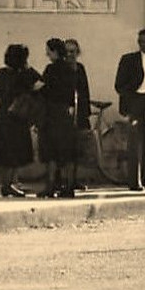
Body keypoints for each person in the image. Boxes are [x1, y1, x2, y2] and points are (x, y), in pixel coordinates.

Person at [0, 44, 40, 198]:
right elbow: (40, 83)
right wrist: (28, 67)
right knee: (16, 151)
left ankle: (4, 184)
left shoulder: (2, 73)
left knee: (3, 152)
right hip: (18, 116)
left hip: (3, 114)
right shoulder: (24, 75)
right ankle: (11, 184)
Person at [113, 29, 145, 191]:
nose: (144, 44)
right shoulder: (128, 59)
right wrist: (131, 98)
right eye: (141, 41)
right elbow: (119, 85)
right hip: (136, 102)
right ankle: (134, 182)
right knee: (135, 143)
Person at [37, 39, 82, 198]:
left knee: (51, 152)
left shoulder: (50, 69)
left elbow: (43, 90)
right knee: (67, 151)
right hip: (66, 113)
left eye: (48, 50)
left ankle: (50, 186)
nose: (47, 53)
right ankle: (69, 187)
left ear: (55, 51)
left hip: (51, 113)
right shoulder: (71, 69)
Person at [63, 38, 93, 190]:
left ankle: (73, 179)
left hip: (78, 113)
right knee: (63, 148)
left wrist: (85, 114)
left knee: (77, 148)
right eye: (67, 51)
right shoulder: (60, 68)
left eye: (73, 51)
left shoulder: (80, 68)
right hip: (63, 114)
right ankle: (62, 180)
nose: (70, 55)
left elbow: (84, 91)